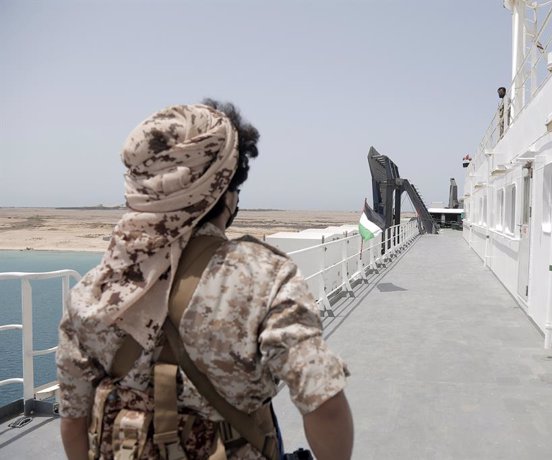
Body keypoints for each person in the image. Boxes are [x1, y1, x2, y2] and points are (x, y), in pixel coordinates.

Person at [57, 100, 354, 460]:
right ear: (225, 191)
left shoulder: (92, 292)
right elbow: (325, 403)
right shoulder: (264, 277)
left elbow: (74, 423)